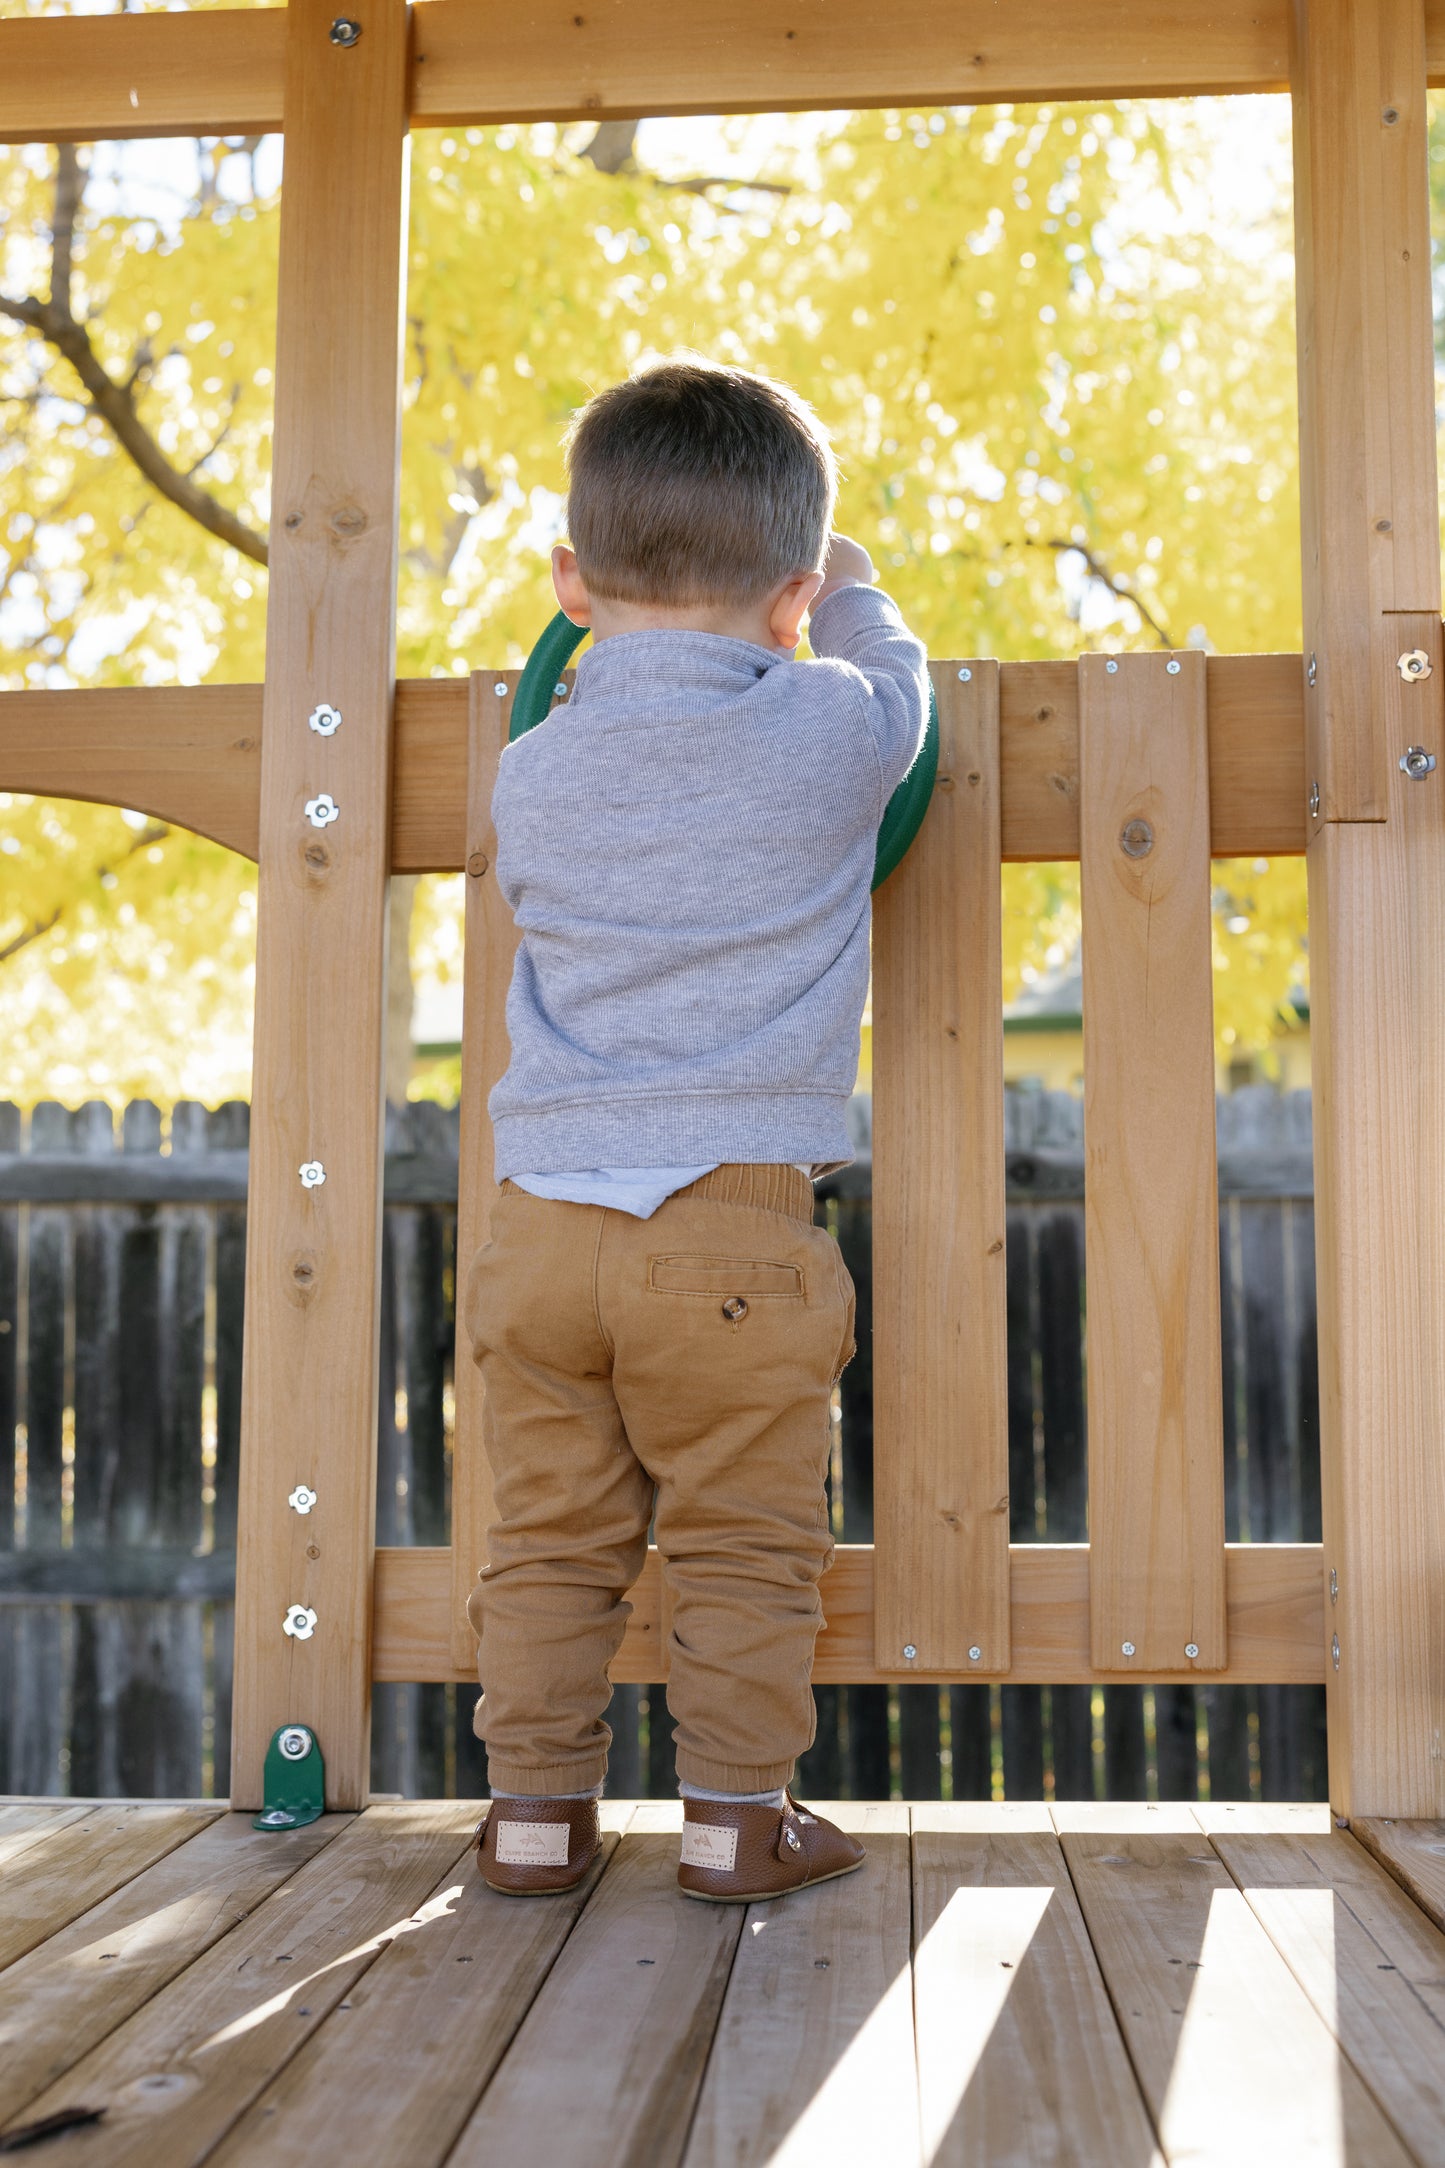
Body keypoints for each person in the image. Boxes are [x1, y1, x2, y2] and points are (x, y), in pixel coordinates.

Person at [466, 357, 930, 1902]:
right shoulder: (826, 729)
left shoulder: (531, 773)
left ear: (569, 583)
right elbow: (905, 704)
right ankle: (736, 1822)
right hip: (728, 1221)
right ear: (791, 598)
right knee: (738, 1534)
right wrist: (857, 600)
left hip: (539, 1223)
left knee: (547, 1534)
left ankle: (532, 1816)